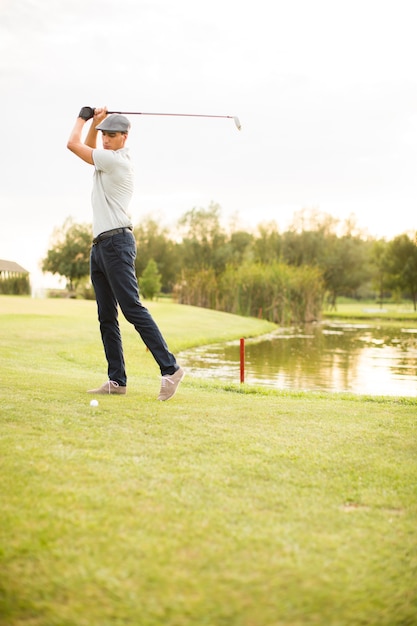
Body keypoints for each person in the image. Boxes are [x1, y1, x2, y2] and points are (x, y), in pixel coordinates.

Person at [67, 106, 184, 400]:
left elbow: (74, 145)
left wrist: (82, 118)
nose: (105, 140)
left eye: (112, 135)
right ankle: (117, 380)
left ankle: (170, 369)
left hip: (117, 244)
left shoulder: (116, 161)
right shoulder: (106, 159)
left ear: (125, 137)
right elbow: (89, 147)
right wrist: (97, 122)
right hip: (100, 246)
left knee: (131, 308)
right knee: (106, 316)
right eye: (104, 135)